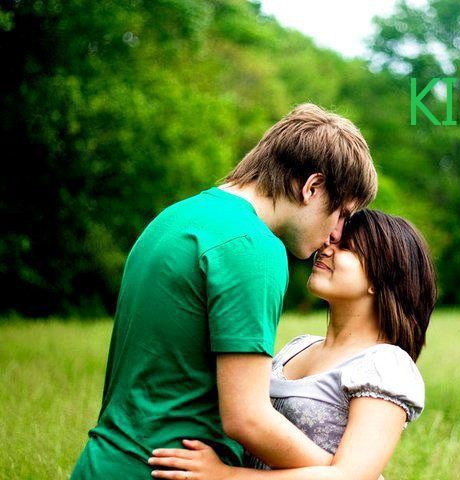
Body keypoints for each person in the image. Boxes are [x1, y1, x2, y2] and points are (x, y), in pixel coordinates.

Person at [70, 103, 378, 479]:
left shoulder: (175, 217)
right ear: (311, 188)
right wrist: (346, 473)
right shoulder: (254, 248)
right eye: (342, 213)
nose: (336, 234)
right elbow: (247, 418)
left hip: (102, 463)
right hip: (165, 471)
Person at [147, 209, 437, 480]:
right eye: (331, 240)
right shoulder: (298, 347)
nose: (326, 248)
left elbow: (350, 476)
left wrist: (226, 476)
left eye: (346, 247)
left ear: (380, 277)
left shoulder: (386, 365)